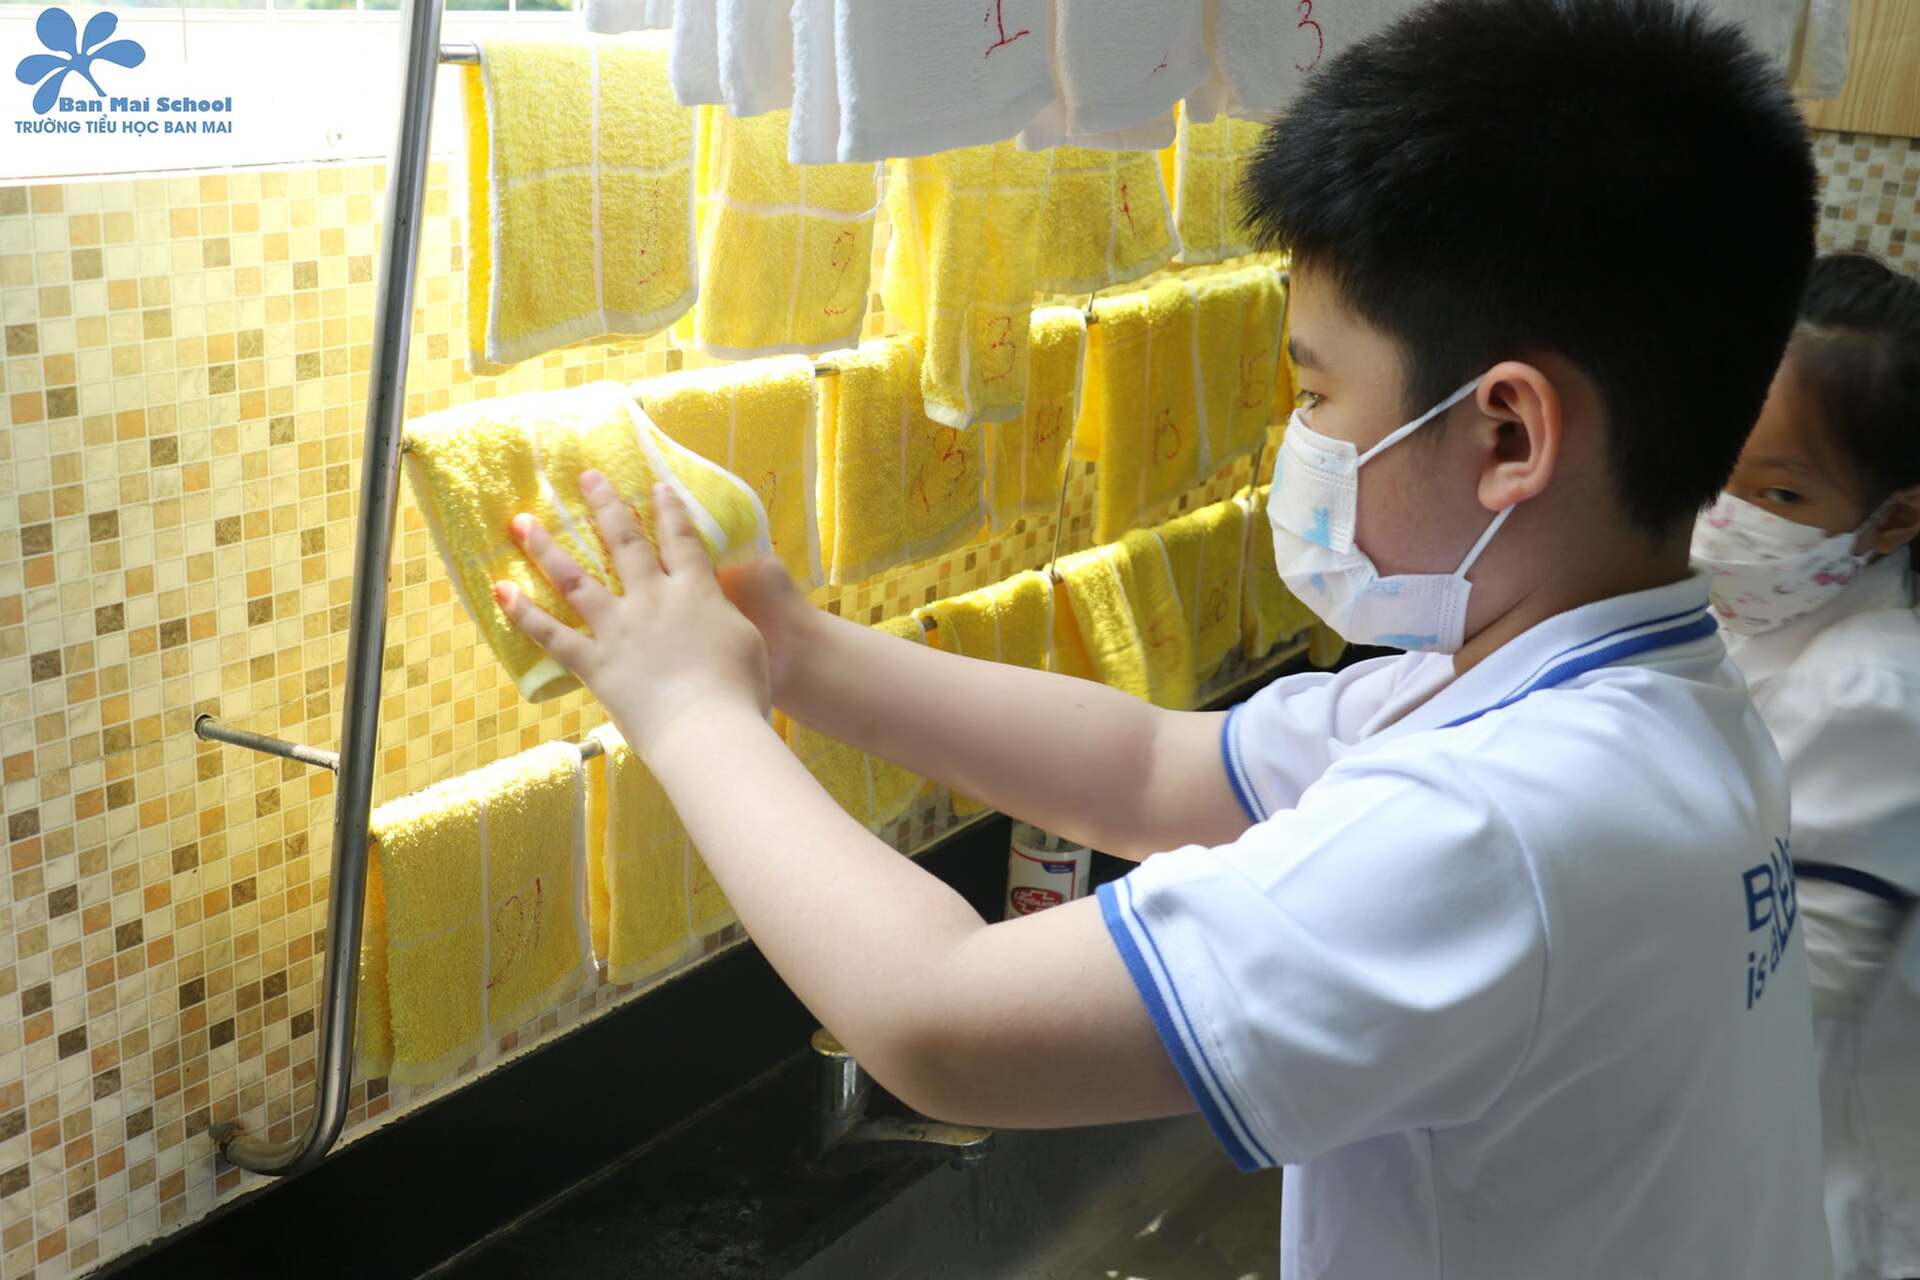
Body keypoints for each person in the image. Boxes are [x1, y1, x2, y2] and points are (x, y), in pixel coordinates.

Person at [495, 1, 1829, 1274]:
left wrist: (691, 713)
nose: (1301, 439)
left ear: (1508, 434)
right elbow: (1149, 770)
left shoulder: (1504, 826)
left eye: (1317, 393)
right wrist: (795, 649)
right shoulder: (1612, 704)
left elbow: (940, 1022)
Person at [1692, 251, 1920, 1280]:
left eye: (1778, 491)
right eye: (1715, 468)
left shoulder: (1869, 693)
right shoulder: (1752, 624)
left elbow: (1795, 976)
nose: (1725, 517)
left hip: (1825, 1198)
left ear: (1896, 517)